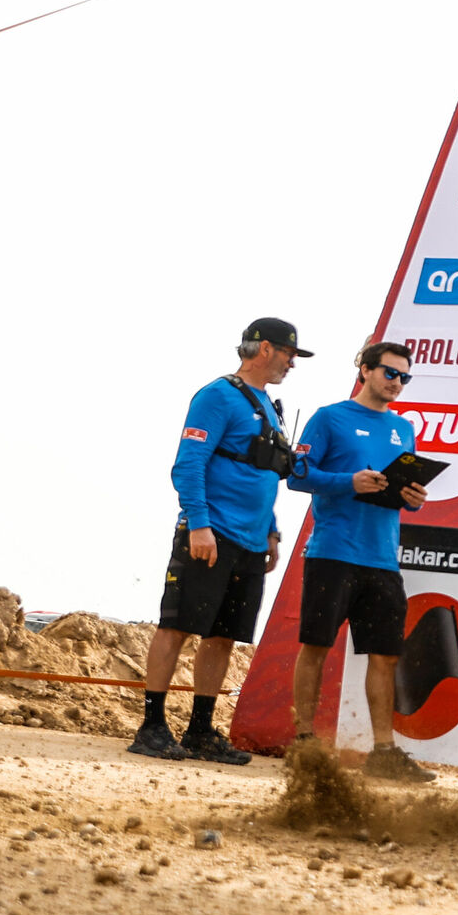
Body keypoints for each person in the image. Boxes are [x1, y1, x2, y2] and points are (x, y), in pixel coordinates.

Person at [134, 318, 309, 763]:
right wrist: (198, 524)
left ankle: (199, 730)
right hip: (210, 533)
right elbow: (188, 464)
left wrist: (270, 531)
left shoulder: (268, 407)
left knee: (222, 636)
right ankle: (152, 726)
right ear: (265, 348)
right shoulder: (217, 396)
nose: (293, 363)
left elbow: (264, 474)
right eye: (290, 354)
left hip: (250, 542)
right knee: (175, 626)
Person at [287, 341, 433, 781]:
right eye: (390, 373)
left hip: (383, 558)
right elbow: (296, 475)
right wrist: (348, 481)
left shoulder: (403, 428)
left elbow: (403, 494)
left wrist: (413, 499)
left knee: (386, 656)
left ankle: (384, 752)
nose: (396, 383)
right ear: (365, 370)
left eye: (404, 377)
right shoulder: (330, 417)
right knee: (316, 645)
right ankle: (304, 744)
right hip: (334, 550)